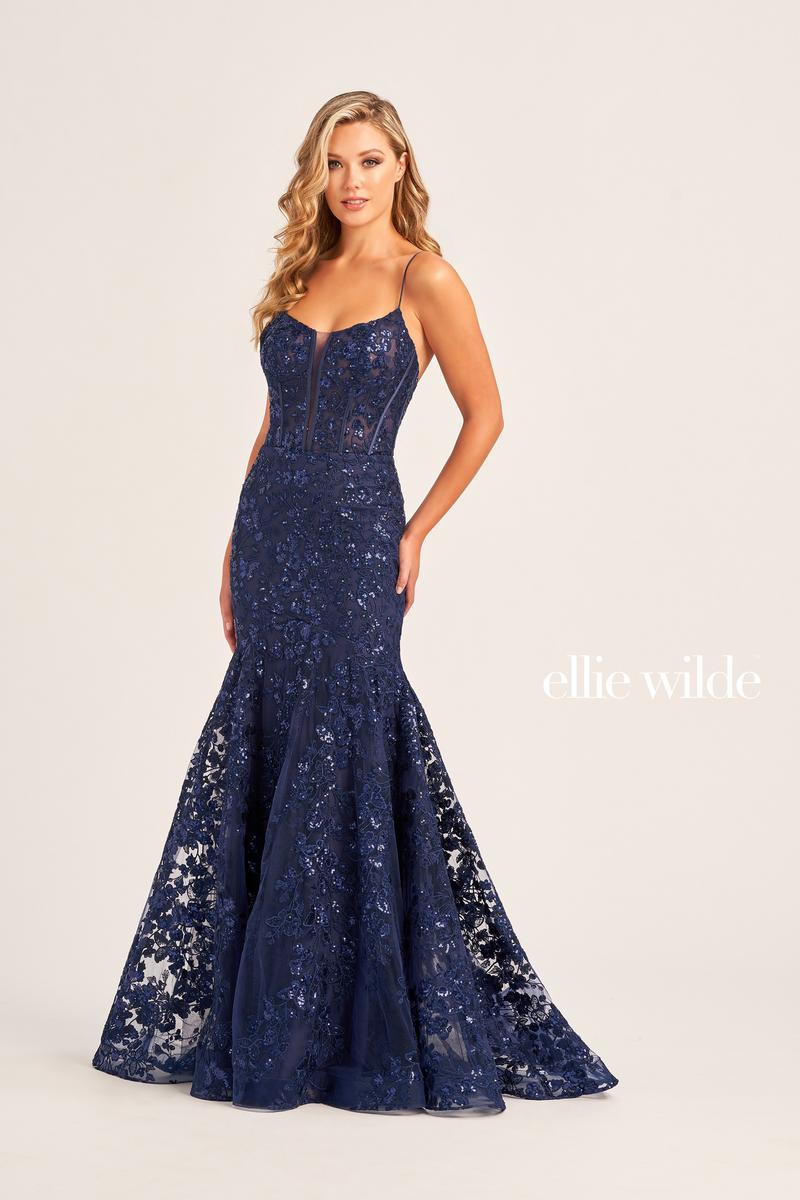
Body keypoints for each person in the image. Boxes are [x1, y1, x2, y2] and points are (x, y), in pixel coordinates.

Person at [91, 90, 619, 1115]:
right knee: (272, 734)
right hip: (273, 533)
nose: (349, 181)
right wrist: (235, 540)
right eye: (333, 163)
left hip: (357, 539)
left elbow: (486, 414)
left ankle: (346, 1027)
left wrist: (415, 532)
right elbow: (272, 421)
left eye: (368, 160)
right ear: (316, 174)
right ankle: (277, 1019)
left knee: (346, 739)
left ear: (399, 166)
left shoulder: (426, 279)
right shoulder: (303, 273)